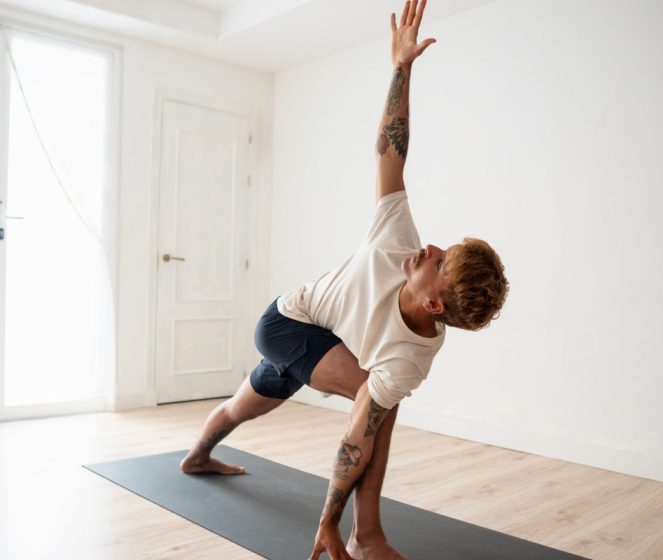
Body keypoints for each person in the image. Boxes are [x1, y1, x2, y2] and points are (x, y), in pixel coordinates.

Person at [180, 1, 509, 558]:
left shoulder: (411, 358)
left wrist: (325, 516)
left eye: (439, 261)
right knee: (375, 402)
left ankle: (197, 456)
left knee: (247, 404)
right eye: (441, 249)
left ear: (434, 304)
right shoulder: (396, 238)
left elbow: (357, 435)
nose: (429, 248)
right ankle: (366, 536)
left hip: (321, 343)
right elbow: (390, 150)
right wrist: (401, 68)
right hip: (286, 323)